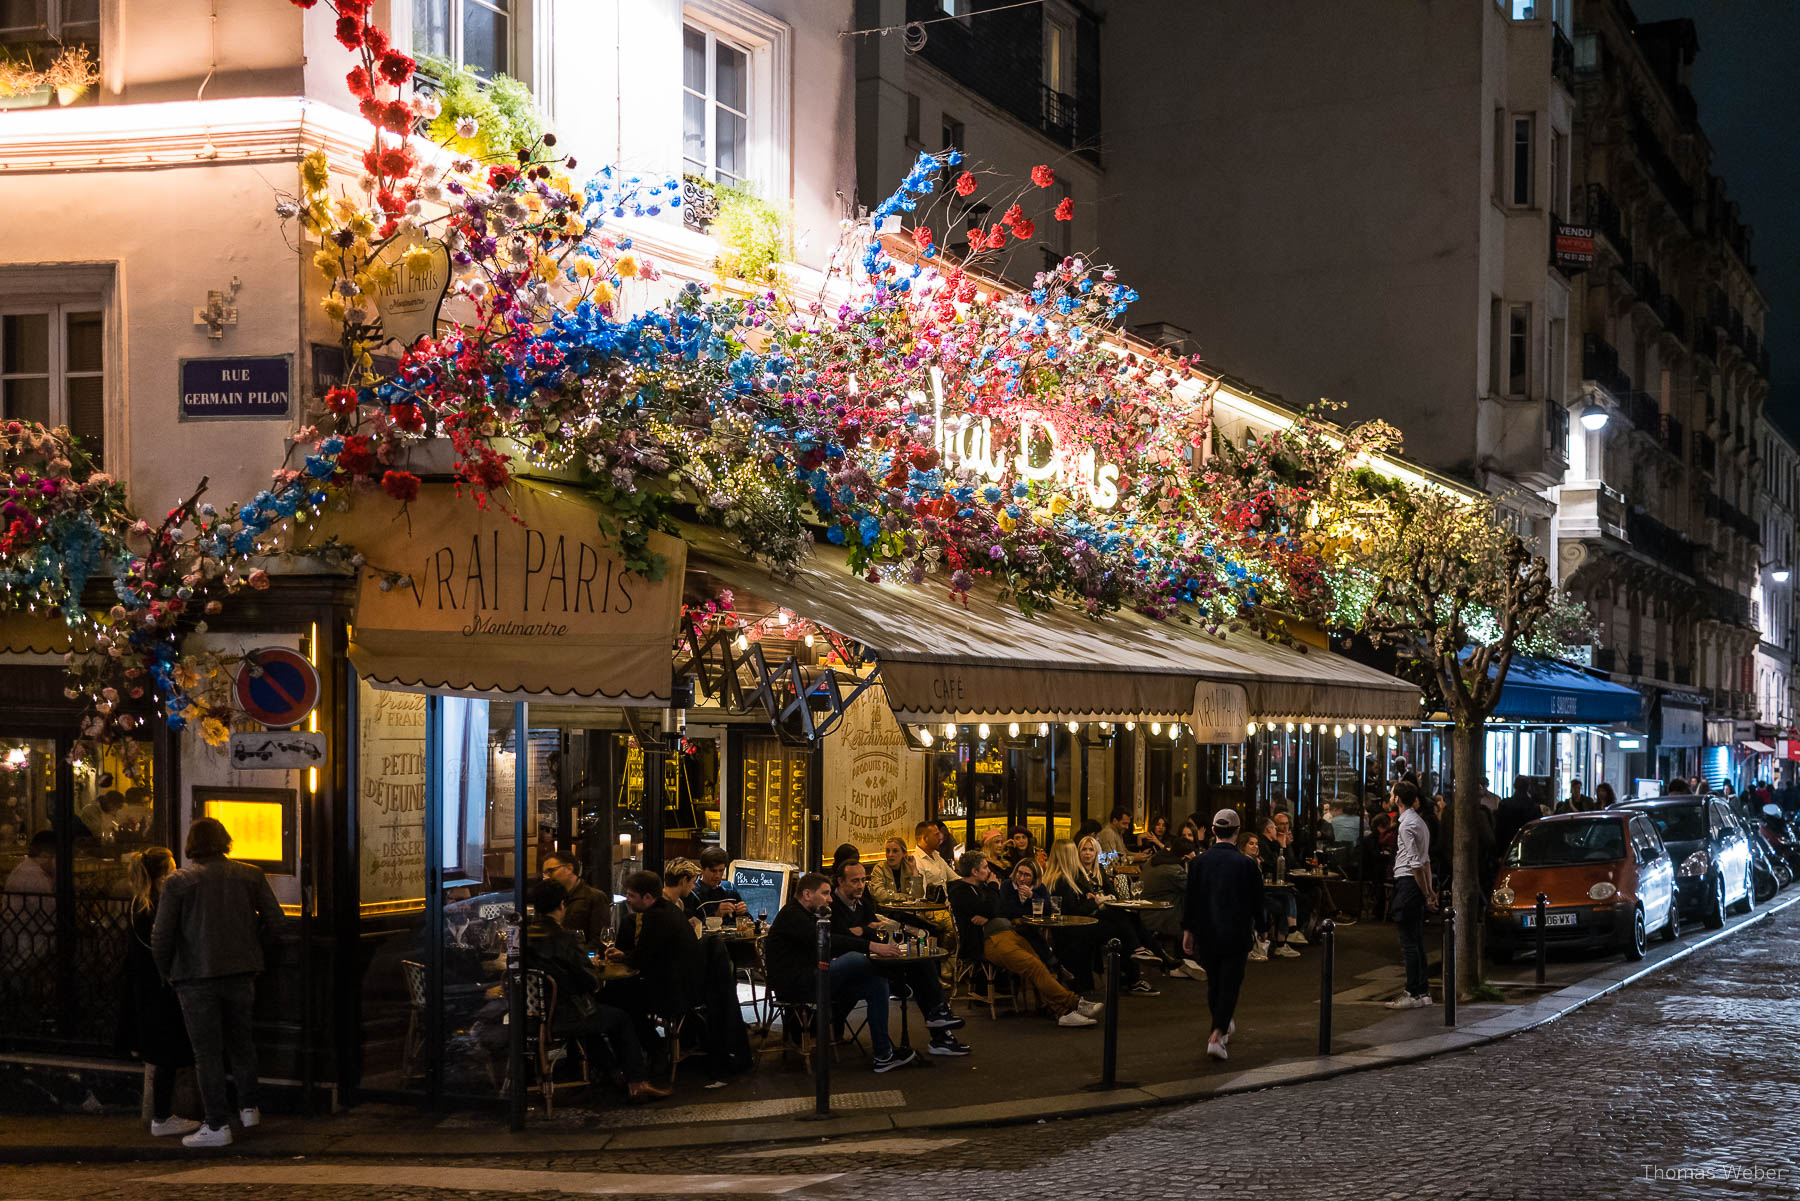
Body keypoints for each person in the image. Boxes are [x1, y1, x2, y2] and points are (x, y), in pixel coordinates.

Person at [150, 817, 283, 1149]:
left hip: (195, 976)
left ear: (191, 845)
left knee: (206, 1052)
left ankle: (217, 1124)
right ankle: (249, 1107)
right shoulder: (250, 875)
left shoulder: (178, 882)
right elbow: (276, 922)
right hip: (241, 972)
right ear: (225, 840)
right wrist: (253, 947)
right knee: (242, 1043)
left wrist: (164, 970)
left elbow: (161, 935)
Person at [525, 879, 670, 1103]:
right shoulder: (566, 939)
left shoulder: (524, 938)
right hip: (567, 1016)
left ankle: (611, 1071)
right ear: (563, 905)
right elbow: (590, 982)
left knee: (599, 1016)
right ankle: (637, 1082)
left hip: (531, 1017)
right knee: (619, 1018)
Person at [764, 871, 918, 1071]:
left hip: (815, 979)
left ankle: (883, 1054)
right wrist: (871, 946)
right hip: (796, 985)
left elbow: (838, 940)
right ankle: (899, 980)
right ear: (808, 894)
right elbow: (832, 941)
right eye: (826, 893)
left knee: (876, 985)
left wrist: (867, 941)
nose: (830, 899)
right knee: (855, 959)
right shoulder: (791, 915)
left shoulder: (811, 914)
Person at [830, 860, 970, 1056]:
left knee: (921, 962)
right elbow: (840, 940)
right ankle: (938, 1027)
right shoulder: (831, 905)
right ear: (840, 881)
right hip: (849, 967)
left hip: (873, 957)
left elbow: (872, 933)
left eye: (863, 880)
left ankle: (939, 1022)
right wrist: (864, 929)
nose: (861, 885)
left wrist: (861, 931)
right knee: (910, 971)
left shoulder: (863, 903)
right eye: (855, 881)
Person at [946, 852, 1098, 1028]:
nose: (989, 871)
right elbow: (993, 907)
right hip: (986, 941)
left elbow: (995, 910)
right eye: (986, 867)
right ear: (974, 871)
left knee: (1039, 964)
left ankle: (1063, 1012)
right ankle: (1075, 1003)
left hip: (1006, 933)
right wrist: (994, 888)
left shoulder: (982, 887)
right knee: (1032, 966)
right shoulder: (960, 891)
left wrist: (990, 913)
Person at [120, 847, 200, 1137]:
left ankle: (163, 1115)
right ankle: (163, 1117)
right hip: (161, 986)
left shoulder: (139, 903)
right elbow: (162, 945)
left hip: (146, 985)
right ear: (164, 873)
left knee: (162, 1049)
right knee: (167, 1049)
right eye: (173, 868)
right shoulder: (155, 905)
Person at [1182, 809, 1264, 1062]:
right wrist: (1262, 928)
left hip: (1207, 932)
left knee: (1215, 982)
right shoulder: (1247, 865)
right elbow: (1257, 901)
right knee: (1230, 983)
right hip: (1236, 932)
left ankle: (1221, 1025)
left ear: (1213, 831)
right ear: (1237, 832)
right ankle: (1217, 1032)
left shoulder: (1198, 863)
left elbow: (1191, 900)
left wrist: (1188, 930)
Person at [1044, 839, 1159, 994]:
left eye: (1090, 850)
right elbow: (1074, 911)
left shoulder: (1065, 876)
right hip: (1074, 928)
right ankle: (1139, 960)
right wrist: (1095, 901)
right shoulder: (1063, 879)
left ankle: (1137, 960)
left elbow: (1080, 903)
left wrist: (1089, 899)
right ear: (1068, 856)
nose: (1082, 854)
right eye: (1077, 851)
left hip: (1078, 924)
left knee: (1124, 919)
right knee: (1122, 924)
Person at [608, 870, 704, 1032]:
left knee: (616, 998)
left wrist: (623, 957)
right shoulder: (668, 909)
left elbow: (642, 959)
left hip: (674, 993)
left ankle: (649, 1048)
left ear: (647, 897)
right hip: (689, 987)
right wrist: (625, 956)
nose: (628, 900)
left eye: (632, 896)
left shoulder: (654, 916)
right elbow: (651, 952)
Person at [1385, 781, 1437, 1009]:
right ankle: (1422, 991)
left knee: (1408, 942)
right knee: (1416, 940)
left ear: (1398, 799)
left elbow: (1416, 863)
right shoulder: (1420, 823)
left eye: (1391, 793)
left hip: (1408, 883)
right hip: (1415, 883)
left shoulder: (1406, 825)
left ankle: (1412, 993)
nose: (1389, 796)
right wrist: (1430, 890)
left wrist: (1426, 892)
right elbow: (1425, 862)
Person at [541, 852, 607, 946]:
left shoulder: (594, 897)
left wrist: (580, 957)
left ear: (569, 868)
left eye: (551, 871)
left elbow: (600, 939)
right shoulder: (549, 899)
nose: (547, 877)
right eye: (544, 873)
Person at [693, 848, 747, 919]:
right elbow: (691, 926)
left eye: (721, 870)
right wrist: (716, 916)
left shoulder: (729, 888)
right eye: (713, 871)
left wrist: (743, 913)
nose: (717, 876)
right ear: (702, 869)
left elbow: (747, 921)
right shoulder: (693, 893)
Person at [911, 821, 953, 894]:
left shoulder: (936, 855)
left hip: (946, 904)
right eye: (936, 835)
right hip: (933, 905)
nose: (940, 837)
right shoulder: (916, 861)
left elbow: (954, 877)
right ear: (925, 839)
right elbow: (921, 896)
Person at [661, 859, 702, 924]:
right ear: (684, 880)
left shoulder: (679, 903)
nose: (693, 886)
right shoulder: (659, 903)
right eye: (693, 882)